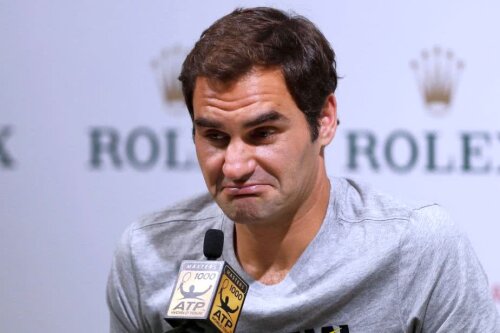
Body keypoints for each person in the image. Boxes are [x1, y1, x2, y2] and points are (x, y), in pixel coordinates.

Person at [107, 7, 500, 333]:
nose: (236, 165)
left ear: (324, 120)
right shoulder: (149, 257)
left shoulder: (416, 250)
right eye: (215, 136)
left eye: (262, 133)